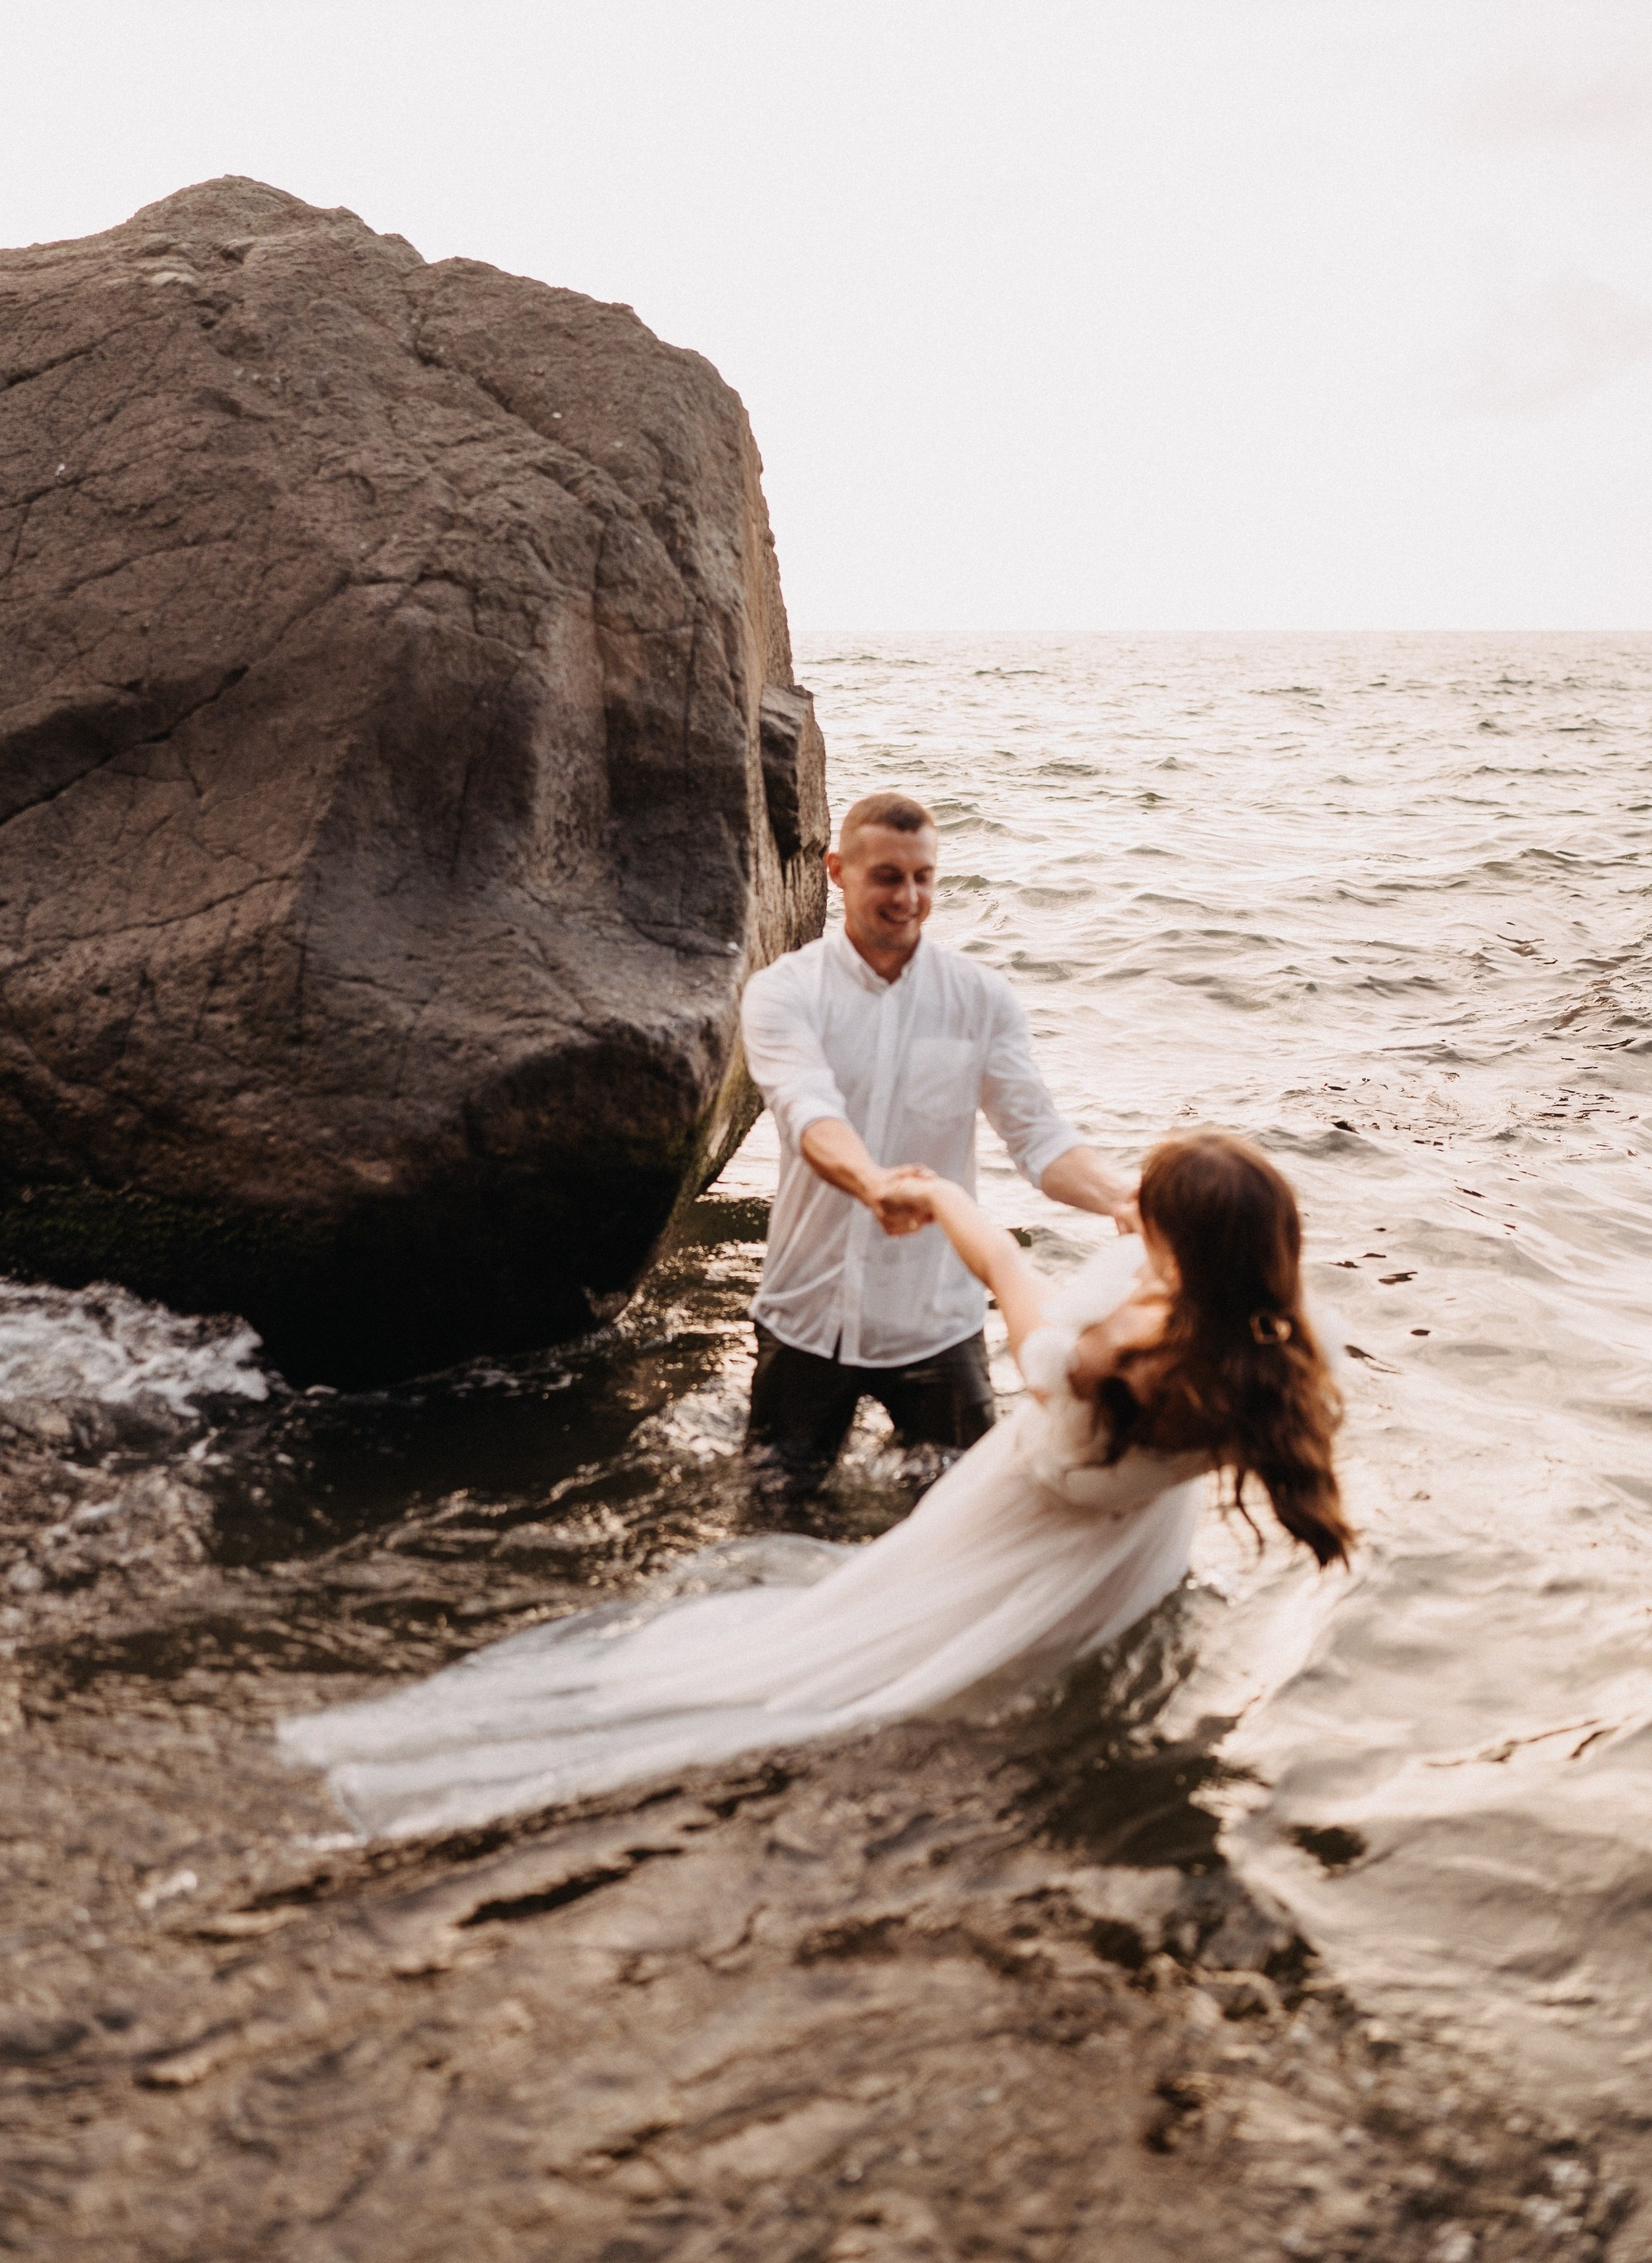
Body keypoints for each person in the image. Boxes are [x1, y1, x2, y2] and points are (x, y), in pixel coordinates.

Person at [278, 1131, 1351, 1841]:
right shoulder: (1276, 1356)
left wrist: (937, 1195)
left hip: (1016, 1507)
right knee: (1020, 1643)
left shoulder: (1106, 1357)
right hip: (1122, 1547)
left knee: (833, 1645)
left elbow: (1012, 1284)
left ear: (1171, 1245)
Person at [738, 788, 1136, 1504]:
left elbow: (1038, 1138)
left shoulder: (981, 999)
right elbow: (808, 1111)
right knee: (772, 1517)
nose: (909, 897)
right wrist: (871, 1184)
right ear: (837, 871)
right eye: (887, 876)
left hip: (934, 1325)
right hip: (804, 1317)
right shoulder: (783, 992)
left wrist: (1124, 1196)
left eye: (924, 877)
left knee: (968, 1517)